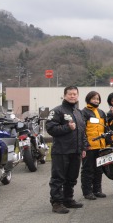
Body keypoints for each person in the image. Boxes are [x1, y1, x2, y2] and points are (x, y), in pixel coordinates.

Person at [46, 86, 87, 214]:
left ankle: (68, 199)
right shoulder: (57, 111)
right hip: (61, 151)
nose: (72, 96)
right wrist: (67, 128)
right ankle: (57, 203)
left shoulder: (78, 112)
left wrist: (84, 147)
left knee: (72, 177)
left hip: (76, 151)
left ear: (78, 96)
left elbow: (82, 132)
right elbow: (50, 128)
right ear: (65, 95)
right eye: (70, 94)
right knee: (58, 178)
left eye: (75, 94)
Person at [80, 91, 107, 200]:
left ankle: (97, 190)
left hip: (101, 146)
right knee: (88, 169)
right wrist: (85, 145)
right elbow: (82, 130)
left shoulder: (101, 112)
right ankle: (87, 192)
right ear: (88, 99)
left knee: (99, 169)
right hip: (89, 146)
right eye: (93, 98)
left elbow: (105, 129)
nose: (96, 100)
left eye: (97, 99)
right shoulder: (84, 112)